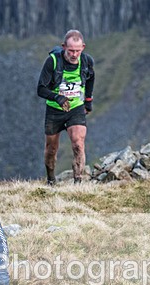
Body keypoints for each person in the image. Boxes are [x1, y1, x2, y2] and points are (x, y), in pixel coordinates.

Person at [37, 29, 95, 185]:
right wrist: (58, 97)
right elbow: (41, 89)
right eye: (70, 51)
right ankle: (51, 180)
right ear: (63, 47)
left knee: (78, 143)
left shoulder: (87, 61)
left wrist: (88, 101)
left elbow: (90, 78)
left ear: (83, 47)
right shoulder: (53, 61)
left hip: (75, 108)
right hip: (54, 110)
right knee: (51, 150)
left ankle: (78, 182)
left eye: (77, 50)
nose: (74, 54)